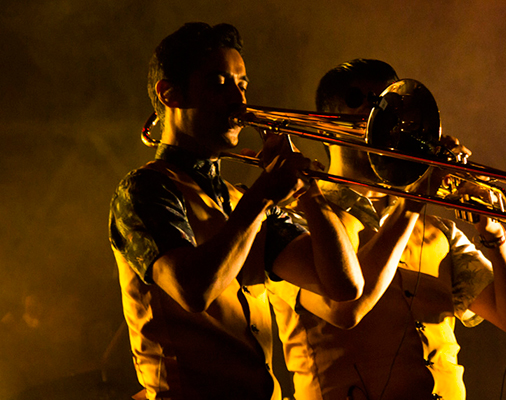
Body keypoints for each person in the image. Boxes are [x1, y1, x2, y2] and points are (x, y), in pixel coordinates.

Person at [108, 23, 364, 400]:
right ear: (170, 94)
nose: (240, 102)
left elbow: (343, 286)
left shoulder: (239, 198)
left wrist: (308, 192)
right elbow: (194, 290)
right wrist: (262, 196)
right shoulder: (145, 188)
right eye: (219, 83)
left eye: (242, 85)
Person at [267, 59, 506, 400]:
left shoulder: (438, 231)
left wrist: (495, 236)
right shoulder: (295, 218)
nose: (376, 114)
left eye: (388, 104)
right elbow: (344, 310)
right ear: (325, 127)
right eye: (359, 101)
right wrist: (415, 200)